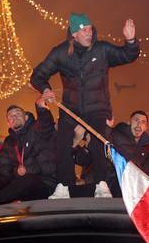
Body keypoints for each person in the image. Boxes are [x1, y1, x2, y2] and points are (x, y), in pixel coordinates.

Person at [30, 12, 140, 198]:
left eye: (90, 29)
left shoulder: (101, 49)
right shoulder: (61, 52)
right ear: (74, 34)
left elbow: (127, 56)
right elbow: (37, 75)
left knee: (99, 142)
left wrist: (130, 41)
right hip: (71, 109)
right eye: (84, 30)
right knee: (63, 141)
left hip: (98, 107)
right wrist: (45, 89)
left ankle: (101, 184)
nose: (89, 33)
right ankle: (63, 186)